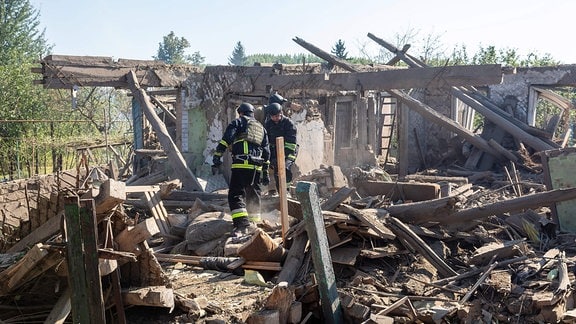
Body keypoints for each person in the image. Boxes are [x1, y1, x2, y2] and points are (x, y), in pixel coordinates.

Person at [212, 103, 270, 236]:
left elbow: (227, 139)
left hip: (241, 164)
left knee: (236, 194)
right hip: (257, 167)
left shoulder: (238, 122)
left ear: (241, 113)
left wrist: (217, 156)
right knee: (253, 194)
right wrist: (265, 172)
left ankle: (242, 225)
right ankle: (255, 224)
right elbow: (267, 152)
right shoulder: (261, 128)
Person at [264, 101, 298, 193]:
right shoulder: (268, 124)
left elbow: (291, 143)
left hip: (289, 151)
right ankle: (280, 192)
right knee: (276, 171)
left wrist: (283, 156)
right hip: (275, 151)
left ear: (281, 113)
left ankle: (286, 191)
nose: (275, 118)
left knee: (285, 168)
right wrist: (271, 157)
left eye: (277, 116)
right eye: (273, 116)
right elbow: (266, 141)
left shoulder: (289, 124)